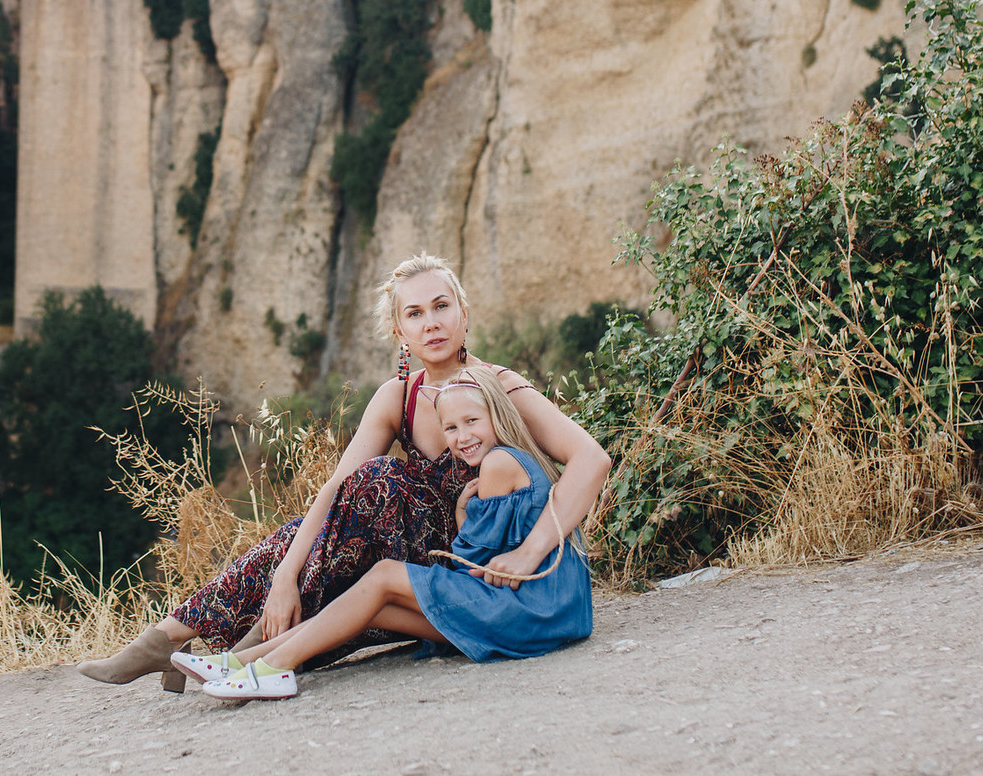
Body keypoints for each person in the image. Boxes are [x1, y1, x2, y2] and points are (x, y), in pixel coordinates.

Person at [76, 254, 610, 689]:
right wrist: (285, 574)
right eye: (416, 314)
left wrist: (530, 550)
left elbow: (592, 459)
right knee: (334, 515)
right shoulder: (397, 396)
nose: (432, 323)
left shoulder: (498, 386)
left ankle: (239, 647)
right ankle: (174, 641)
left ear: (464, 314)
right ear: (400, 331)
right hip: (401, 554)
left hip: (468, 562)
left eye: (442, 306)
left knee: (380, 483)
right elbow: (335, 489)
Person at [182, 369, 595, 700]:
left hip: (533, 609)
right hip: (549, 611)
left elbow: (473, 563)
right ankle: (242, 662)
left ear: (498, 416)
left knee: (383, 576)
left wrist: (460, 512)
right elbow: (482, 558)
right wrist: (462, 511)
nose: (462, 437)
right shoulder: (510, 459)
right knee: (373, 606)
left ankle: (273, 669)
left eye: (472, 422)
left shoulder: (498, 466)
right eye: (451, 428)